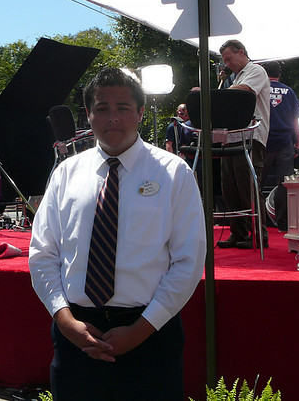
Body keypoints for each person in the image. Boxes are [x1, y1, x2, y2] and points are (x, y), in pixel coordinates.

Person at [29, 68, 206, 400]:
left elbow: (189, 261)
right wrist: (66, 321)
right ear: (88, 114)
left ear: (140, 113)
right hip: (77, 335)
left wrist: (141, 330)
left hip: (150, 336)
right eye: (102, 108)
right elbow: (43, 253)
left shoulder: (173, 173)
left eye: (123, 108)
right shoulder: (66, 173)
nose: (112, 117)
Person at [216, 40, 270, 249]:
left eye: (229, 59)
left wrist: (216, 95)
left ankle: (258, 235)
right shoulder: (236, 77)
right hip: (232, 137)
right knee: (229, 189)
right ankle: (237, 232)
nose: (227, 64)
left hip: (251, 136)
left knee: (248, 187)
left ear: (241, 52)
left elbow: (244, 91)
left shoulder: (256, 70)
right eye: (225, 61)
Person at [261, 61, 299, 232]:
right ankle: (284, 224)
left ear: (264, 72)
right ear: (279, 74)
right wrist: (298, 141)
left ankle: (257, 222)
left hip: (263, 141)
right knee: (285, 184)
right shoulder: (289, 91)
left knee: (256, 182)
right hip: (285, 141)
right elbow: (295, 119)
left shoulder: (260, 89)